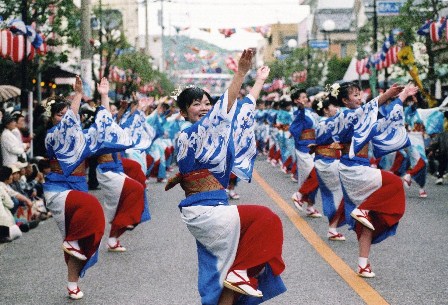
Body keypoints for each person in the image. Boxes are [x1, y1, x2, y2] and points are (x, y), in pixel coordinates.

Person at [165, 49, 285, 305]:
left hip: (214, 208)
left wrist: (260, 82)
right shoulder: (189, 133)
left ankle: (237, 277)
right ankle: (241, 273)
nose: (204, 108)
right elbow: (226, 111)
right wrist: (240, 72)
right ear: (184, 113)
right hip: (205, 211)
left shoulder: (211, 130)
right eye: (196, 104)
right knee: (266, 219)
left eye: (207, 102)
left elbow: (240, 113)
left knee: (225, 270)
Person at [43, 76, 132, 299]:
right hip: (58, 190)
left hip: (78, 188)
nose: (63, 118)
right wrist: (78, 96)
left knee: (79, 243)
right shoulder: (52, 136)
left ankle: (72, 283)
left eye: (66, 114)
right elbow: (68, 123)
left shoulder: (82, 137)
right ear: (51, 118)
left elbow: (104, 126)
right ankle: (77, 242)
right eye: (59, 115)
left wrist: (104, 96)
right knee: (92, 210)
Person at [331, 81, 417, 277]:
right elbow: (367, 111)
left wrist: (402, 96)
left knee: (367, 220)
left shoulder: (361, 117)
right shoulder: (345, 115)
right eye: (354, 95)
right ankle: (361, 210)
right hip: (353, 168)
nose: (359, 98)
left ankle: (363, 264)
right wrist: (387, 94)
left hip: (358, 167)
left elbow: (385, 121)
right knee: (394, 183)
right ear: (344, 100)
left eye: (359, 94)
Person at [310, 94, 346, 240]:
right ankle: (332, 228)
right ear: (325, 110)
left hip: (325, 160)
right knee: (337, 194)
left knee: (332, 194)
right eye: (334, 106)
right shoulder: (329, 122)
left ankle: (333, 227)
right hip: (328, 161)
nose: (337, 109)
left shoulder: (323, 121)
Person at [289, 88, 322, 218]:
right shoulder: (298, 113)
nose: (306, 99)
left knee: (315, 176)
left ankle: (310, 206)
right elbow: (295, 128)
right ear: (297, 100)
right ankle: (300, 195)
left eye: (306, 96)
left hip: (314, 146)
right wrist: (301, 108)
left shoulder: (311, 112)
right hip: (304, 148)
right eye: (302, 97)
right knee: (310, 175)